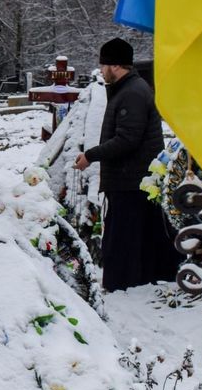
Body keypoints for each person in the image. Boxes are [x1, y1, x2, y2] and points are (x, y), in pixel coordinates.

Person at [75, 37, 181, 292]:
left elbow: (127, 139)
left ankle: (122, 283)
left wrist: (91, 155)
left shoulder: (132, 93)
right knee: (140, 234)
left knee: (122, 237)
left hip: (130, 179)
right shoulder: (130, 88)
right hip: (134, 178)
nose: (101, 71)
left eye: (103, 65)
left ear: (115, 65)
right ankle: (145, 278)